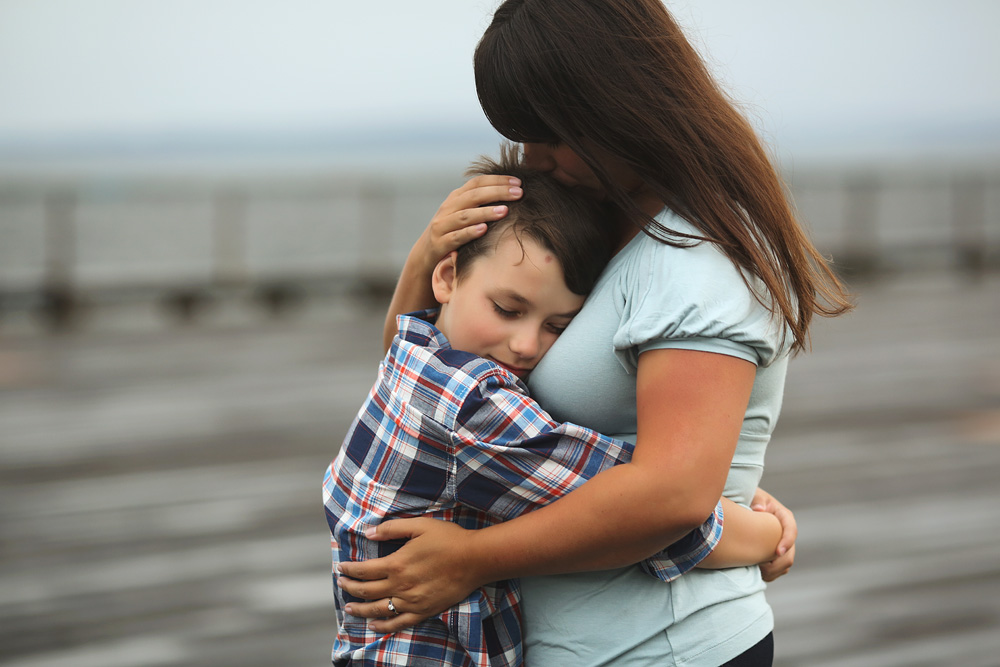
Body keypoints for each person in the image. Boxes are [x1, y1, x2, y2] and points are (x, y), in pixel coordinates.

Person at [338, 1, 854, 665]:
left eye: (552, 134)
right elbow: (421, 393)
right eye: (524, 135)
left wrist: (473, 558)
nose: (535, 159)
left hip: (666, 648)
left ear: (616, 104)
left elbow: (672, 495)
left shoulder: (696, 262)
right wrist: (428, 255)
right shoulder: (584, 228)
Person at [325, 149, 784, 666]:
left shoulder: (416, 361)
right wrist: (764, 535)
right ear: (447, 277)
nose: (525, 345)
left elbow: (647, 486)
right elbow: (651, 511)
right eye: (507, 309)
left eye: (558, 329)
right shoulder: (473, 407)